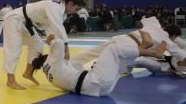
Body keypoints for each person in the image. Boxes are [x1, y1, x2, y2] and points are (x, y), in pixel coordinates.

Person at [1, 0, 84, 90]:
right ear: (70, 4)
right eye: (76, 9)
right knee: (14, 49)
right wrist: (66, 50)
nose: (76, 12)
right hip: (14, 19)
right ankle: (10, 80)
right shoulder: (54, 6)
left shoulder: (61, 12)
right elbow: (59, 27)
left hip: (26, 23)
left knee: (37, 45)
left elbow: (52, 28)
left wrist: (50, 37)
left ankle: (28, 72)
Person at [34, 31, 167, 97]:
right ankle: (155, 53)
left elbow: (76, 66)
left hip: (98, 90)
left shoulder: (51, 75)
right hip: (96, 81)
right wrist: (51, 39)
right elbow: (58, 45)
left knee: (122, 60)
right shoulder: (52, 61)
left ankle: (145, 49)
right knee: (112, 49)